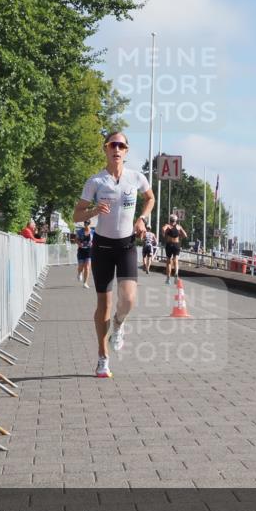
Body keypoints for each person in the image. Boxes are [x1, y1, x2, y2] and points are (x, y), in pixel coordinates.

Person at [72, 131, 155, 379]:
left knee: (129, 300)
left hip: (127, 245)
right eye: (112, 145)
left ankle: (119, 324)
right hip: (103, 248)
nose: (116, 149)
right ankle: (102, 357)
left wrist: (142, 218)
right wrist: (94, 210)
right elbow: (77, 215)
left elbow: (150, 198)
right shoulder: (96, 182)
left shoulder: (136, 178)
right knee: (103, 306)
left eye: (121, 146)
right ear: (105, 149)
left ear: (126, 151)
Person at [162, 215, 187, 285]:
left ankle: (168, 279)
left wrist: (164, 234)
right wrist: (180, 236)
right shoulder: (179, 227)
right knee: (176, 260)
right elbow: (185, 235)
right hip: (176, 244)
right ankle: (176, 274)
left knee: (169, 262)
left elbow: (163, 229)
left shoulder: (168, 225)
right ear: (176, 221)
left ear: (170, 220)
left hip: (169, 244)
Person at [76, 221, 94, 288]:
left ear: (90, 224)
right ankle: (79, 273)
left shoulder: (93, 232)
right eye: (85, 223)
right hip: (81, 250)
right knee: (81, 265)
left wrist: (93, 243)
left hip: (89, 250)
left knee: (87, 267)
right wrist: (79, 243)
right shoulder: (80, 231)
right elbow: (76, 239)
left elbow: (96, 240)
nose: (86, 225)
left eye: (88, 223)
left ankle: (85, 283)